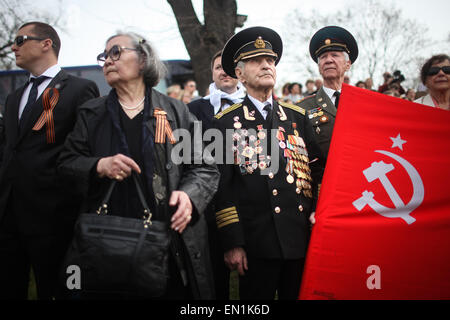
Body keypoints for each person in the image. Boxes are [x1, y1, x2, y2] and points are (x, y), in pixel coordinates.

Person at [57, 32, 219, 299]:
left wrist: (189, 195)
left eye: (116, 52)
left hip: (167, 241)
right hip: (107, 242)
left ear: (143, 60)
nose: (107, 60)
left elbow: (204, 167)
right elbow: (66, 165)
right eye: (104, 56)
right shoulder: (91, 113)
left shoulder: (176, 112)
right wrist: (98, 165)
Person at [213, 26, 324, 300]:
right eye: (255, 61)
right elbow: (221, 189)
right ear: (239, 74)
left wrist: (319, 215)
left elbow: (318, 171)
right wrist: (233, 242)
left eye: (270, 61)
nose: (266, 66)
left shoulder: (298, 118)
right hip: (255, 243)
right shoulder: (225, 123)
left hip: (298, 238)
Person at [0, 21, 99, 299]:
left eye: (20, 40)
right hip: (8, 215)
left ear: (46, 44)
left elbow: (83, 149)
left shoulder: (80, 89)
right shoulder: (14, 98)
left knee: (56, 290)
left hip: (53, 217)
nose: (13, 47)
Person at [187, 50, 245, 300]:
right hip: (209, 208)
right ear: (211, 73)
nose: (224, 72)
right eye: (219, 67)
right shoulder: (193, 109)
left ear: (240, 73)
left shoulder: (255, 108)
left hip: (248, 208)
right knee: (214, 285)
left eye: (230, 67)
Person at [296, 25, 358, 160]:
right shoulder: (301, 109)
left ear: (348, 64)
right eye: (323, 57)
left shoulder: (363, 104)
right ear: (319, 67)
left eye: (335, 55)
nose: (329, 60)